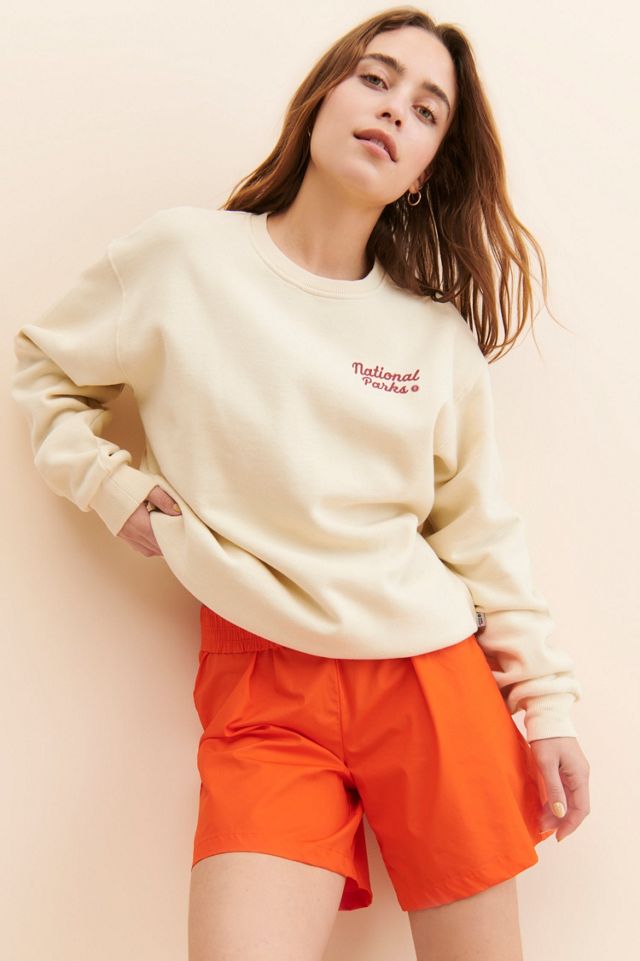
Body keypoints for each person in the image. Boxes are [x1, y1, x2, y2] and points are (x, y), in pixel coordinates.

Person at [11, 6, 591, 960]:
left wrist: (549, 707)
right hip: (262, 683)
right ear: (322, 98)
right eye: (376, 78)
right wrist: (108, 486)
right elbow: (42, 367)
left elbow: (480, 535)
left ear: (425, 169)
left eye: (427, 109)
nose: (394, 109)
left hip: (432, 682)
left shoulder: (434, 336)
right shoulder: (182, 259)